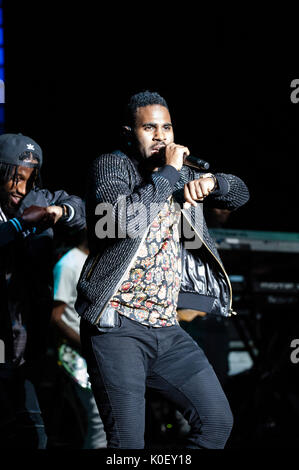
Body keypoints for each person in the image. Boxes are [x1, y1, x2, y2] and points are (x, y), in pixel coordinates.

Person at [76, 91, 250, 449]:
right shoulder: (112, 166)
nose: (160, 136)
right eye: (149, 127)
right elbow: (122, 220)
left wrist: (213, 182)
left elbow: (241, 193)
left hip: (167, 330)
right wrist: (169, 174)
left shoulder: (184, 173)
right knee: (127, 445)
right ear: (129, 133)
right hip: (118, 328)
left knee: (217, 421)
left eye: (166, 127)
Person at [0, 133, 85, 448]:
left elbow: (82, 209)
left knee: (34, 435)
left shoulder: (39, 199)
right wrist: (20, 225)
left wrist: (58, 213)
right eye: (14, 178)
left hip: (30, 342)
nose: (21, 189)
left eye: (29, 179)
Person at [51, 227, 107, 449]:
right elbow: (55, 317)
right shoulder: (68, 264)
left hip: (96, 352)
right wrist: (83, 344)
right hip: (76, 353)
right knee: (98, 419)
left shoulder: (98, 261)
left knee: (106, 419)